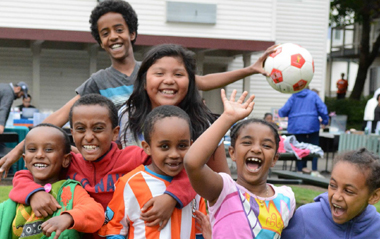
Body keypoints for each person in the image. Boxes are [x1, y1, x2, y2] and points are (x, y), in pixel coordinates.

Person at [0, 0, 276, 180]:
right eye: (105, 33)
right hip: (131, 174)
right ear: (100, 41)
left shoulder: (157, 69)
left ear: (132, 33)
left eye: (118, 29)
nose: (113, 36)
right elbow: (59, 118)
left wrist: (249, 70)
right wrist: (17, 150)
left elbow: (202, 80)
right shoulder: (100, 83)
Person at [8, 94, 196, 239]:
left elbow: (187, 171)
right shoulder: (68, 162)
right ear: (72, 133)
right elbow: (23, 176)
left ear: (115, 133)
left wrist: (171, 197)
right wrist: (34, 192)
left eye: (98, 128)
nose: (89, 136)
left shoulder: (134, 157)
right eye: (81, 129)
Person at [184, 89, 296, 238]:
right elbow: (192, 162)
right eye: (247, 142)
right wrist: (227, 118)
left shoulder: (286, 198)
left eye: (266, 145)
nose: (256, 149)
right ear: (232, 153)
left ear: (275, 159)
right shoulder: (224, 190)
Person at [99, 105, 207, 238]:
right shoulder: (129, 184)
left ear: (191, 145)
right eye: (164, 146)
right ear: (147, 147)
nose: (174, 154)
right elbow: (114, 230)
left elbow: (200, 231)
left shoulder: (195, 185)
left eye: (182, 146)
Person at [119, 43, 230, 174]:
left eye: (178, 74)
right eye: (159, 73)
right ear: (144, 81)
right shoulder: (127, 115)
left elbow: (223, 181)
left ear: (190, 82)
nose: (169, 80)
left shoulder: (204, 124)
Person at [0, 123, 104, 239]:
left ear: (66, 160)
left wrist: (68, 218)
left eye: (49, 149)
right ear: (24, 159)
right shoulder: (18, 194)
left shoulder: (70, 190)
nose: (39, 155)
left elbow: (96, 213)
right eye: (32, 149)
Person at [281, 148, 380, 239]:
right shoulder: (305, 217)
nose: (336, 196)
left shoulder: (376, 228)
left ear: (374, 196)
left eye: (348, 191)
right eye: (333, 185)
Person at [278, 88, 328, 177]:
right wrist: (325, 121)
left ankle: (300, 170)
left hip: (296, 126)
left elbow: (283, 111)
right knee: (315, 147)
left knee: (299, 147)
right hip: (312, 124)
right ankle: (314, 170)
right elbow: (322, 109)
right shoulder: (313, 95)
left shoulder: (294, 96)